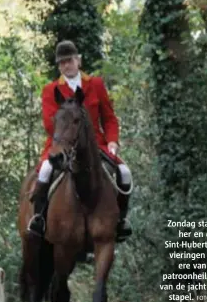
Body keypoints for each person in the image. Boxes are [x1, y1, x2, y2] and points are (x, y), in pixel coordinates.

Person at [27, 40, 132, 242]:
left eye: (69, 60)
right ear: (59, 66)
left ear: (78, 60)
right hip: (62, 145)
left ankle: (121, 221)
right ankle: (39, 218)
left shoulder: (96, 84)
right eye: (62, 62)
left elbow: (109, 118)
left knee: (124, 174)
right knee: (46, 172)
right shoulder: (51, 90)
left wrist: (112, 142)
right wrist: (66, 139)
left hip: (96, 146)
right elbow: (50, 122)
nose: (66, 65)